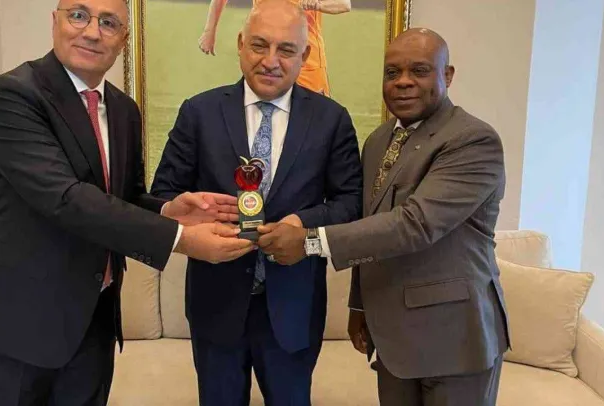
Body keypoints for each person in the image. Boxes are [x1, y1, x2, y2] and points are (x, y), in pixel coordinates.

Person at [0, 0, 253, 404]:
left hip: (92, 316)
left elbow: (122, 197)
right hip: (14, 318)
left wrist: (169, 210)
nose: (92, 31)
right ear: (55, 21)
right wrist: (180, 238)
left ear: (123, 39)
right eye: (78, 15)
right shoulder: (13, 95)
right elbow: (66, 198)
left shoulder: (124, 110)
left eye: (109, 23)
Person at [257, 28, 509, 406]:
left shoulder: (472, 140)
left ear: (448, 75)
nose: (403, 82)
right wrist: (360, 305)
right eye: (392, 73)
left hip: (455, 338)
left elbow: (414, 224)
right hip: (393, 338)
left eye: (419, 70)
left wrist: (310, 242)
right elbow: (370, 222)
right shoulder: (379, 140)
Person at [151, 1, 362, 404]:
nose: (270, 61)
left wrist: (302, 224)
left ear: (305, 55)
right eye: (259, 45)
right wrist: (186, 213)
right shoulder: (199, 112)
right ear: (240, 44)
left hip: (293, 309)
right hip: (216, 306)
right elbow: (163, 196)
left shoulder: (331, 119)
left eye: (286, 49)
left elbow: (350, 202)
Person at [198, 0, 351, 97]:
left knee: (314, 120)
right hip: (263, 55)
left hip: (305, 63)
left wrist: (317, 4)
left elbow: (344, 4)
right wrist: (209, 31)